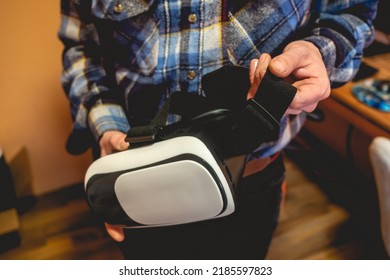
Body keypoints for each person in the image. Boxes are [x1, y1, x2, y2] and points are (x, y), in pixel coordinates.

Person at [58, 0, 378, 259]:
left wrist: (322, 50)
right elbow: (82, 50)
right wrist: (107, 124)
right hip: (138, 177)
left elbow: (352, 12)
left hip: (250, 181)